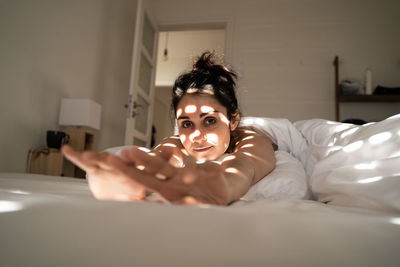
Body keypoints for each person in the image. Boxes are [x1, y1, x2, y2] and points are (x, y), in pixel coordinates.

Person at [62, 52, 276, 206]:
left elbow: (243, 166)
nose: (196, 136)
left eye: (209, 120)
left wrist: (223, 187)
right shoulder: (177, 143)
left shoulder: (250, 139)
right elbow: (158, 161)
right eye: (186, 123)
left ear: (233, 119)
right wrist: (132, 183)